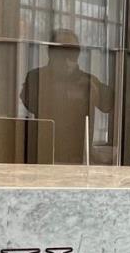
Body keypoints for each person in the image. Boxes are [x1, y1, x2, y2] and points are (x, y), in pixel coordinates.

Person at [20, 29, 112, 164]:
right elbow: (31, 104)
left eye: (73, 52)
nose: (67, 57)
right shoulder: (36, 78)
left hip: (78, 157)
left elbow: (111, 104)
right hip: (44, 154)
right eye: (62, 51)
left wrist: (96, 93)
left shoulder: (87, 81)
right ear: (51, 52)